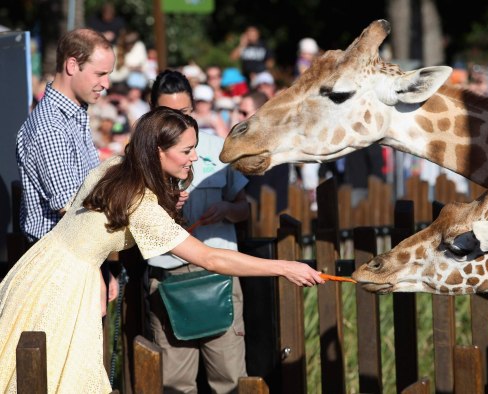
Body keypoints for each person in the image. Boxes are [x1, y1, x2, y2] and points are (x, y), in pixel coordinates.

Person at [0, 107, 324, 392]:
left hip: (42, 265)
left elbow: (83, 225)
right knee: (57, 376)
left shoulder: (116, 167)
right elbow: (210, 257)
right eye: (187, 150)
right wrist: (284, 267)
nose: (195, 158)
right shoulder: (140, 203)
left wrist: (97, 268)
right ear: (158, 152)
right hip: (65, 285)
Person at [147, 69, 250, 393]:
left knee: (231, 380)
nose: (179, 119)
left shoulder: (219, 148)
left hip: (219, 274)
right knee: (175, 384)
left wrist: (228, 210)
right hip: (168, 277)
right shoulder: (142, 156)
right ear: (153, 112)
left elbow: (246, 207)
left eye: (185, 112)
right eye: (169, 114)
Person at [15, 28, 118, 313]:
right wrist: (96, 271)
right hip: (58, 267)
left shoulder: (73, 115)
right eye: (100, 74)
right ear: (72, 65)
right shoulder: (51, 125)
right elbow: (71, 208)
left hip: (76, 261)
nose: (106, 83)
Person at [237, 91, 290, 213]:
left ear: (260, 113)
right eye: (239, 112)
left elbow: (260, 192)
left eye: (244, 113)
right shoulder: (247, 144)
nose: (239, 117)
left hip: (266, 220)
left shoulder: (269, 146)